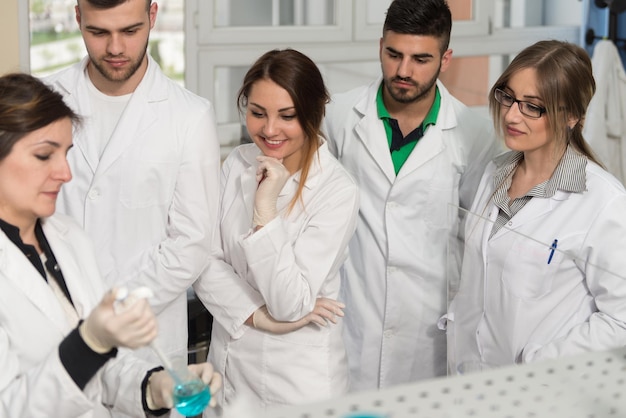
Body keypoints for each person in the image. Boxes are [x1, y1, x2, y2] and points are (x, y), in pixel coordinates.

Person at [0, 72, 221, 417]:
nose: (65, 173)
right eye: (45, 156)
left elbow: (102, 370)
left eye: (66, 153)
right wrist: (89, 343)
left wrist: (154, 386)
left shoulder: (68, 239)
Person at [322, 0, 501, 390]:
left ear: (446, 58)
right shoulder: (339, 117)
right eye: (394, 54)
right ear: (380, 46)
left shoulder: (473, 134)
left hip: (427, 331)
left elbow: (472, 237)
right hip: (352, 319)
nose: (404, 71)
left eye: (421, 58)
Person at [44, 0, 218, 364]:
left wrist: (116, 307)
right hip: (55, 328)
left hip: (144, 337)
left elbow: (192, 243)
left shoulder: (189, 116)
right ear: (78, 18)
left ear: (152, 16)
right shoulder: (45, 99)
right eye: (98, 32)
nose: (115, 48)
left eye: (130, 31)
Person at [447, 40, 626, 373]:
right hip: (470, 382)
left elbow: (621, 321)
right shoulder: (493, 173)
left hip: (542, 391)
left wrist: (540, 364)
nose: (512, 115)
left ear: (572, 115)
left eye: (533, 106)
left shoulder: (604, 203)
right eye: (509, 97)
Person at [206, 48, 359, 408]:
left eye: (287, 116)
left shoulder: (337, 190)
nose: (269, 130)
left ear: (314, 112)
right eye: (257, 113)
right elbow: (206, 260)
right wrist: (257, 317)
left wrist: (265, 210)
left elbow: (289, 303)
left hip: (296, 384)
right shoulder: (236, 164)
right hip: (228, 369)